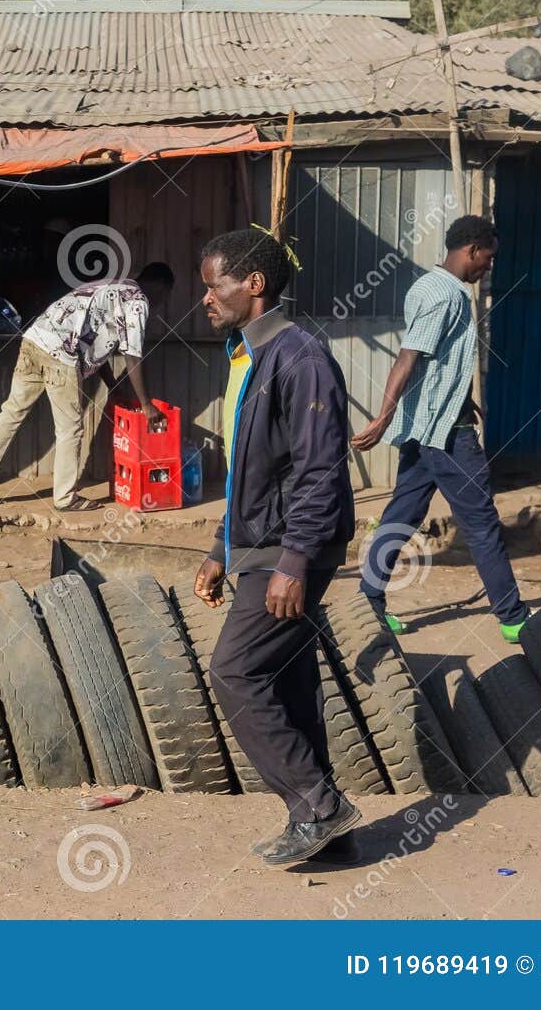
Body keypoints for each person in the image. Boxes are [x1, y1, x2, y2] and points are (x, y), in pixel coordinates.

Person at [192, 228, 360, 868]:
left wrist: (293, 562)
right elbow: (250, 472)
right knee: (289, 686)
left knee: (234, 673)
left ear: (254, 283)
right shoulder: (247, 356)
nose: (206, 297)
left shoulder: (300, 357)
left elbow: (321, 472)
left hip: (292, 550)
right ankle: (334, 840)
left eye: (216, 284)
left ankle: (319, 806)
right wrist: (219, 546)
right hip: (258, 545)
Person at [351, 215, 530, 643]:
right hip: (447, 435)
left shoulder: (430, 286)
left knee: (401, 513)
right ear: (471, 250)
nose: (488, 267)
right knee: (482, 523)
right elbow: (408, 356)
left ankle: (369, 602)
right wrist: (383, 416)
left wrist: (461, 396)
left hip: (426, 426)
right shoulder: (445, 295)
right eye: (488, 258)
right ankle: (513, 616)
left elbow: (436, 361)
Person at [0, 264, 175, 513]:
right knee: (70, 430)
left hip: (34, 340)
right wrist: (146, 404)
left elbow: (98, 344)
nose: (162, 303)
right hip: (61, 355)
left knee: (11, 413)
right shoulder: (137, 300)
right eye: (165, 296)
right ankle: (65, 498)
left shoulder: (110, 285)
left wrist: (111, 385)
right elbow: (133, 355)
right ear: (161, 286)